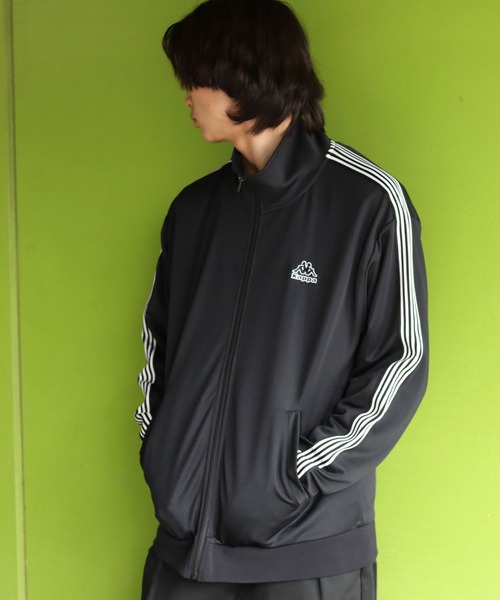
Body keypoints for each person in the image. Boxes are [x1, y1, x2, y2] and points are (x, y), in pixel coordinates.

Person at [135, 1, 429, 598]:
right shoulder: (193, 212)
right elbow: (157, 347)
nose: (186, 96)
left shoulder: (368, 204)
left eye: (195, 78)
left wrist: (291, 474)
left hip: (308, 556)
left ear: (241, 76)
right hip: (184, 556)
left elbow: (401, 363)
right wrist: (162, 450)